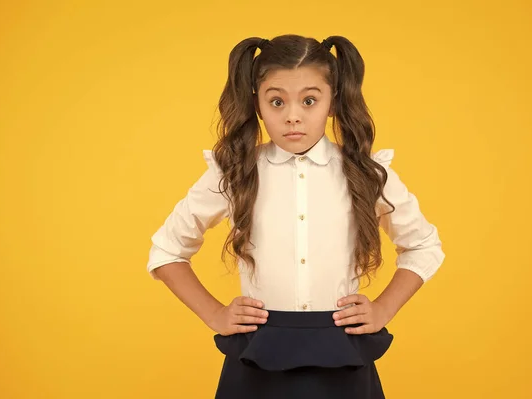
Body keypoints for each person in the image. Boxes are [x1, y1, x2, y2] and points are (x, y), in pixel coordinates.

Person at [146, 34, 445, 399]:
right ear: (257, 104)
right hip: (258, 353)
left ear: (332, 101)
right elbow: (167, 251)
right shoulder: (234, 173)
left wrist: (383, 308)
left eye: (308, 100)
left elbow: (423, 245)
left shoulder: (366, 173)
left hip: (342, 351)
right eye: (276, 101)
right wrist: (214, 314)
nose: (292, 116)